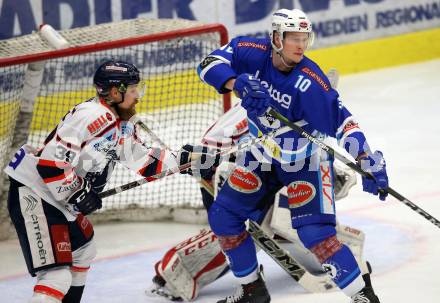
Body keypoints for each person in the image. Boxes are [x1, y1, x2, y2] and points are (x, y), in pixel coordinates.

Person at [197, 8, 388, 303]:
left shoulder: (310, 83)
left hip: (305, 162)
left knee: (316, 235)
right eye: (293, 39)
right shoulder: (251, 52)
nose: (301, 45)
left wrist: (366, 158)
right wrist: (237, 83)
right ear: (276, 38)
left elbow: (343, 123)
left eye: (304, 38)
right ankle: (252, 291)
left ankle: (363, 296)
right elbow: (209, 63)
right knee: (224, 217)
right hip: (261, 155)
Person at [4, 60, 215, 303]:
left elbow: (142, 160)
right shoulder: (91, 116)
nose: (138, 96)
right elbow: (51, 164)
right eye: (134, 90)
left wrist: (184, 160)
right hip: (36, 192)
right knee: (56, 276)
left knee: (83, 250)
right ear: (116, 92)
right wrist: (78, 193)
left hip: (55, 197)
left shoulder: (120, 124)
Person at [147, 100, 366, 302]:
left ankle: (331, 258)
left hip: (265, 179)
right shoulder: (250, 114)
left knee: (304, 219)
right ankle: (178, 271)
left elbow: (296, 153)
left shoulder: (287, 101)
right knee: (248, 228)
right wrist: (197, 159)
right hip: (232, 183)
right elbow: (211, 162)